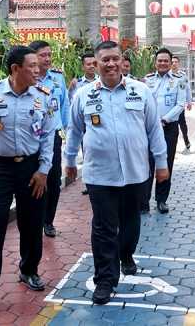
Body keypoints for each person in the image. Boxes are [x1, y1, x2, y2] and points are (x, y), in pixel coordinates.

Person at [65, 40, 168, 305]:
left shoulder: (141, 91)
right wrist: (70, 161)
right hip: (100, 175)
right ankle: (105, 280)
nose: (110, 64)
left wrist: (161, 163)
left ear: (122, 60)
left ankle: (126, 254)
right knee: (103, 228)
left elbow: (154, 129)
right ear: (95, 64)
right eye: (104, 60)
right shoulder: (84, 95)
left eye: (114, 59)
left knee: (132, 222)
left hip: (136, 172)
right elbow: (74, 131)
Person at [0, 46, 56, 314]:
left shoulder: (44, 95)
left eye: (37, 65)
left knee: (31, 223)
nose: (37, 69)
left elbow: (48, 136)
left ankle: (28, 271)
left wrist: (43, 170)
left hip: (31, 168)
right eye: (31, 65)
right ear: (15, 69)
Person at [29, 40, 70, 238]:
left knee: (53, 180)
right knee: (33, 178)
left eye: (49, 54)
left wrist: (64, 130)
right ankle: (34, 218)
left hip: (53, 136)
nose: (47, 58)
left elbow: (64, 105)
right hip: (30, 137)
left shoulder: (57, 78)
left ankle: (48, 221)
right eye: (43, 55)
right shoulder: (28, 77)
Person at [143, 48, 187, 214]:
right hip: (148, 128)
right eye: (159, 61)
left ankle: (161, 200)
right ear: (155, 63)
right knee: (147, 164)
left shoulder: (179, 80)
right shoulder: (147, 80)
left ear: (170, 63)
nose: (162, 63)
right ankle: (143, 201)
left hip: (168, 128)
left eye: (165, 61)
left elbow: (180, 104)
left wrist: (163, 120)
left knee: (166, 163)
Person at [68, 52, 98, 195]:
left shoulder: (102, 81)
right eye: (88, 64)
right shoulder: (76, 84)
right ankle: (89, 183)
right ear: (83, 66)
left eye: (94, 63)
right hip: (85, 125)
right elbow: (70, 102)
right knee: (87, 154)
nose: (92, 66)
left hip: (100, 124)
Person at [171, 56, 192, 152]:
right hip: (170, 105)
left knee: (182, 124)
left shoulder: (183, 75)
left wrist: (189, 102)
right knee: (172, 125)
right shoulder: (167, 75)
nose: (174, 63)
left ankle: (186, 140)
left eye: (176, 62)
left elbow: (187, 89)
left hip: (180, 105)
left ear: (179, 63)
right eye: (172, 62)